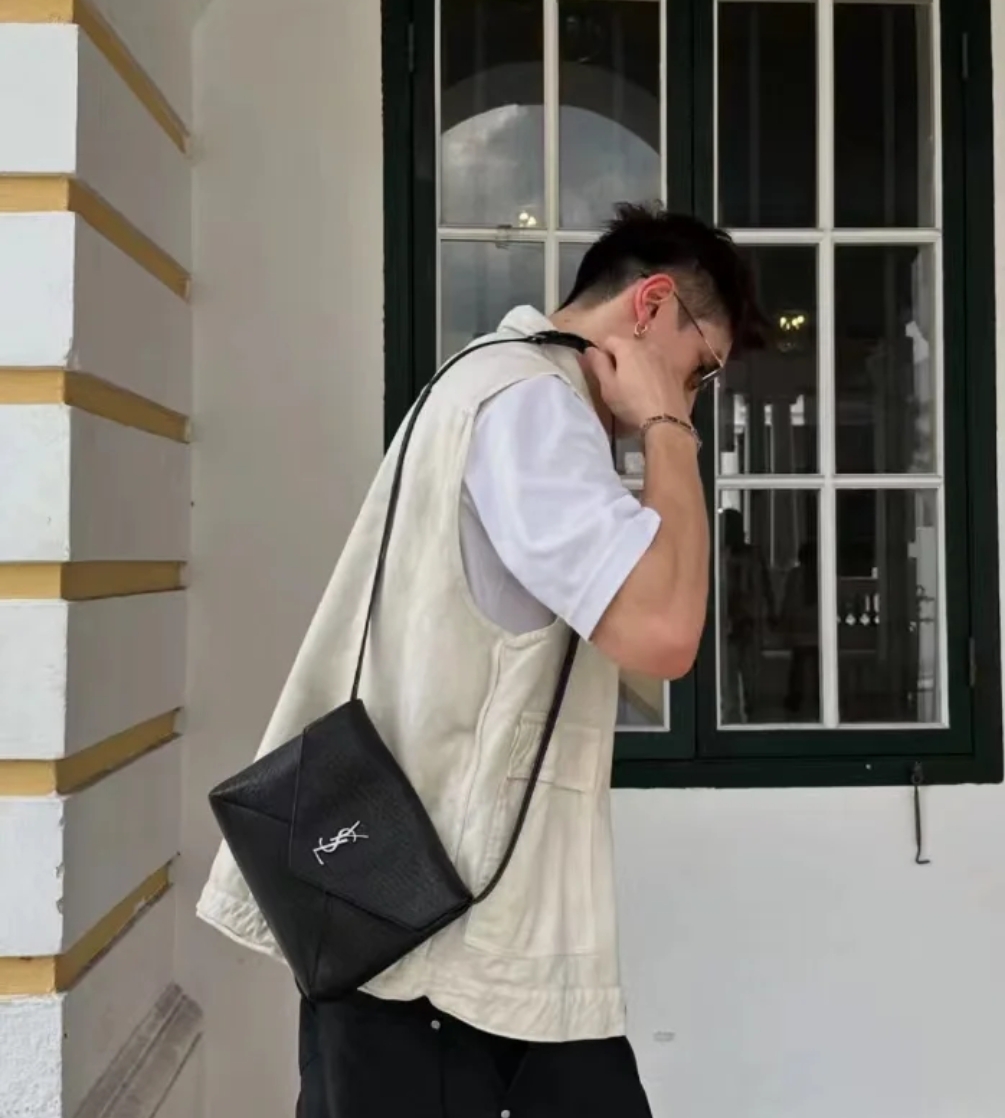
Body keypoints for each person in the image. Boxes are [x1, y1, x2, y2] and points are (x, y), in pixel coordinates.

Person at [197, 204, 767, 1117]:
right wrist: (669, 428)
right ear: (652, 304)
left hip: (428, 929)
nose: (694, 395)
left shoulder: (489, 385)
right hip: (451, 957)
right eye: (700, 369)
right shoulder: (530, 405)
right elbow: (665, 633)